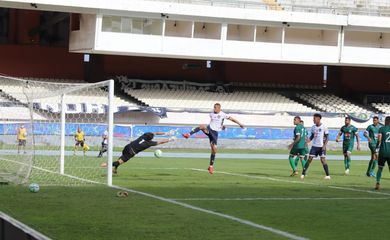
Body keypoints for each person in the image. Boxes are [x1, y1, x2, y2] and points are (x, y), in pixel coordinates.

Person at [182, 103, 244, 174]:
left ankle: (210, 166)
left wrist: (240, 124)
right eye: (214, 107)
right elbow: (214, 122)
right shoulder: (211, 114)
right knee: (201, 126)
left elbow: (231, 119)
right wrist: (221, 126)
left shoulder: (223, 114)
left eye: (215, 108)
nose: (214, 109)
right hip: (209, 129)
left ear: (219, 108)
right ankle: (188, 134)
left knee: (214, 150)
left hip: (214, 134)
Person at [101, 132, 174, 174]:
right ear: (151, 138)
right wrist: (170, 139)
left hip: (127, 147)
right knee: (119, 161)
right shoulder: (149, 143)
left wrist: (167, 133)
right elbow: (161, 142)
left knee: (122, 157)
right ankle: (107, 164)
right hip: (131, 152)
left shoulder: (144, 135)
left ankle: (115, 169)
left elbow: (155, 132)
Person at [301, 113, 331, 180]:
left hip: (321, 147)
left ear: (318, 119)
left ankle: (328, 175)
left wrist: (324, 145)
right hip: (314, 146)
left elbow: (327, 137)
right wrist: (307, 141)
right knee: (309, 159)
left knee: (323, 160)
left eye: (314, 118)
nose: (313, 120)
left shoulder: (324, 127)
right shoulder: (313, 127)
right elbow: (312, 136)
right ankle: (303, 173)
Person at [374, 116, 390, 190]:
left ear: (386, 121)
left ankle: (378, 182)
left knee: (380, 168)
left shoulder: (381, 129)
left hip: (383, 151)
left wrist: (376, 150)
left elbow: (379, 140)